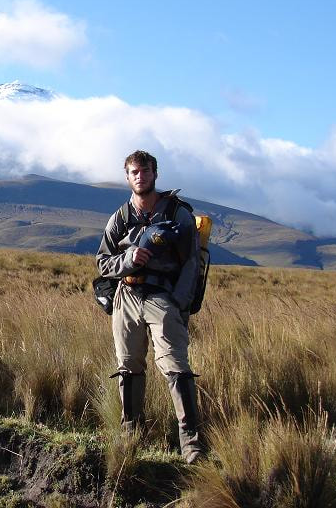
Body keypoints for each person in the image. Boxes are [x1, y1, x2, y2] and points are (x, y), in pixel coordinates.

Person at [96, 150, 204, 464]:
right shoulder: (120, 217)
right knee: (128, 367)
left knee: (176, 367)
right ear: (127, 177)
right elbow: (103, 263)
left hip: (163, 296)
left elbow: (192, 264)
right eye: (134, 172)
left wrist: (179, 303)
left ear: (155, 174)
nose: (140, 177)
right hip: (126, 296)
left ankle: (191, 446)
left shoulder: (177, 213)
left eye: (145, 171)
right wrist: (129, 260)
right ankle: (132, 438)